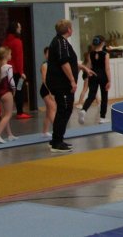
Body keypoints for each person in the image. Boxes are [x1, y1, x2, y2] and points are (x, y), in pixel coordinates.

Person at [46, 19, 80, 153]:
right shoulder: (61, 43)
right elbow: (64, 62)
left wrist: (83, 68)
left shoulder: (61, 42)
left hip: (60, 83)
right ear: (69, 30)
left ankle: (57, 139)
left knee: (64, 110)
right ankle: (57, 142)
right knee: (64, 110)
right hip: (61, 84)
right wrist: (72, 80)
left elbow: (70, 62)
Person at [2, 21, 32, 119]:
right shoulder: (17, 42)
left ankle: (1, 109)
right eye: (19, 27)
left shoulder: (5, 42)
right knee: (19, 90)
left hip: (6, 70)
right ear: (15, 29)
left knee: (6, 91)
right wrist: (21, 72)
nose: (20, 29)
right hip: (16, 72)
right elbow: (19, 59)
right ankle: (20, 112)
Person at [79, 36, 111, 125]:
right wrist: (109, 80)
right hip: (103, 76)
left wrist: (88, 74)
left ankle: (84, 110)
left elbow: (89, 66)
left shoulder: (90, 54)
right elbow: (107, 68)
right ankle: (102, 118)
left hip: (93, 75)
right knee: (104, 97)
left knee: (91, 95)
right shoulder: (106, 54)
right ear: (102, 43)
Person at [0, 47, 17, 143]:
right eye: (10, 54)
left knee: (4, 115)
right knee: (8, 115)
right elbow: (11, 80)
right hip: (6, 92)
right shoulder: (8, 67)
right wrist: (14, 89)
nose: (11, 56)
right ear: (6, 56)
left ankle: (9, 135)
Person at [39, 47, 55, 139]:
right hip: (46, 90)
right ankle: (57, 130)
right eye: (48, 53)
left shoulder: (53, 64)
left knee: (49, 111)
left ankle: (44, 132)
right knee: (52, 109)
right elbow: (45, 80)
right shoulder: (45, 65)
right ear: (45, 55)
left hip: (52, 89)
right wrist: (50, 92)